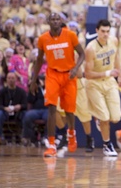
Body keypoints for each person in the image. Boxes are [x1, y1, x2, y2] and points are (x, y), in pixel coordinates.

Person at [29, 13, 85, 157]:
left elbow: (82, 54)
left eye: (57, 19)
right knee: (51, 108)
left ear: (61, 21)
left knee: (69, 110)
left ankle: (71, 133)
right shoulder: (43, 39)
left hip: (69, 75)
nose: (55, 21)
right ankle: (52, 144)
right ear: (48, 21)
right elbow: (39, 60)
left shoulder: (70, 35)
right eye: (52, 19)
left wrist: (75, 68)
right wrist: (34, 80)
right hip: (52, 74)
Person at [84, 19, 121, 157]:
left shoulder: (114, 41)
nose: (105, 34)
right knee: (105, 117)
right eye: (103, 31)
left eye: (107, 31)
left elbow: (116, 57)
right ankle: (107, 145)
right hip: (93, 84)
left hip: (109, 81)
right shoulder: (90, 48)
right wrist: (108, 72)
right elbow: (87, 74)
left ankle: (99, 119)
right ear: (96, 31)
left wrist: (120, 76)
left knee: (116, 117)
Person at [0, 72, 27, 145]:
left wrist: (20, 106)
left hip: (18, 112)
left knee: (26, 115)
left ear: (16, 80)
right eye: (9, 78)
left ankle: (24, 137)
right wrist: (5, 108)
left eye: (12, 78)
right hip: (5, 112)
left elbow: (25, 105)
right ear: (6, 80)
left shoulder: (22, 92)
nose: (11, 80)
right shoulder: (2, 91)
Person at [22, 75, 48, 146]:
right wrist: (32, 90)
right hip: (36, 110)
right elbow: (30, 100)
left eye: (44, 80)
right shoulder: (36, 89)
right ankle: (30, 137)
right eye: (41, 80)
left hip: (47, 110)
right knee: (27, 116)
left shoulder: (50, 89)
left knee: (50, 118)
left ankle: (46, 137)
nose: (42, 82)